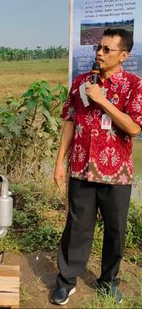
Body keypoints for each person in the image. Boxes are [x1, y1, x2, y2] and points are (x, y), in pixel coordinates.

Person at [50, 28, 142, 306]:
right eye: (98, 48)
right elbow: (69, 121)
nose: (99, 54)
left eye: (107, 50)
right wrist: (59, 163)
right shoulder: (80, 82)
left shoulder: (134, 85)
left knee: (115, 230)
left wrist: (103, 101)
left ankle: (108, 281)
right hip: (80, 167)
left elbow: (134, 128)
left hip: (116, 174)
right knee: (76, 227)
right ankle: (66, 282)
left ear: (123, 56)